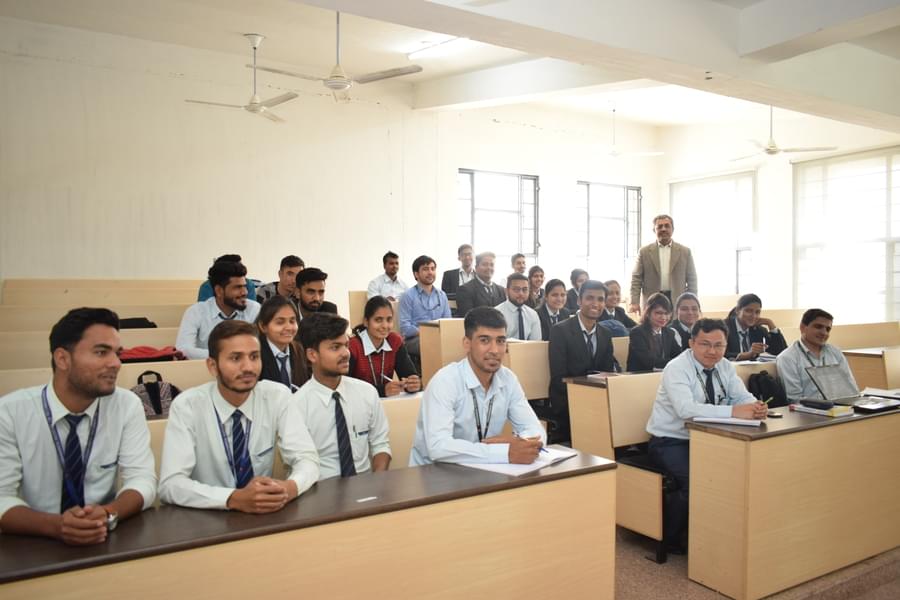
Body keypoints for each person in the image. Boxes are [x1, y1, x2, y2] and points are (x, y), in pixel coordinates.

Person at [0, 308, 156, 544]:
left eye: (117, 354)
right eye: (101, 352)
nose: (116, 363)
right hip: (32, 541)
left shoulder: (126, 405)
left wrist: (107, 513)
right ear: (62, 359)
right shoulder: (10, 412)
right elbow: (2, 496)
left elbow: (142, 479)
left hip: (103, 533)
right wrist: (58, 526)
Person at [159, 320, 319, 511]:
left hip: (265, 514)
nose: (248, 367)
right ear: (212, 366)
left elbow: (307, 459)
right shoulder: (188, 406)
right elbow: (170, 484)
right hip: (209, 515)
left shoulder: (277, 396)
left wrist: (289, 488)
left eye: (254, 357)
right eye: (236, 358)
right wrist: (232, 498)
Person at [646, 318, 766, 552]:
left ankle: (715, 532)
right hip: (671, 441)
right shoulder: (677, 368)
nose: (712, 351)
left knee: (740, 475)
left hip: (712, 438)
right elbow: (686, 410)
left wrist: (755, 406)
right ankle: (671, 538)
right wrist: (734, 411)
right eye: (705, 344)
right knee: (697, 481)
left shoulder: (725, 366)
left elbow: (742, 397)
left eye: (719, 345)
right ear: (691, 343)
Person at [410, 307, 546, 466]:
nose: (495, 350)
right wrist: (504, 452)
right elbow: (438, 447)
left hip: (483, 469)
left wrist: (522, 443)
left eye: (501, 341)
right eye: (484, 340)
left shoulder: (508, 379)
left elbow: (537, 431)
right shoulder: (445, 381)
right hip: (433, 472)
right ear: (467, 344)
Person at [295, 313, 392, 479]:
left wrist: (377, 483)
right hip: (321, 487)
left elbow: (380, 445)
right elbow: (299, 463)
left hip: (365, 484)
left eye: (346, 345)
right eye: (335, 347)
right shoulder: (297, 405)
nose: (346, 353)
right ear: (312, 355)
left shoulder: (367, 393)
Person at [548, 280, 617, 443]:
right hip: (568, 401)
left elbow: (607, 373)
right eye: (590, 298)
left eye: (600, 299)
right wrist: (585, 399)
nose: (595, 304)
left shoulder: (605, 334)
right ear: (579, 301)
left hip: (597, 401)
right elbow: (558, 377)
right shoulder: (560, 331)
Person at [176, 258, 261, 359]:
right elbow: (183, 349)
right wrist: (225, 356)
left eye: (244, 286)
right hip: (205, 368)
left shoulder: (254, 309)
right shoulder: (196, 312)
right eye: (238, 287)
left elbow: (265, 347)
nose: (245, 292)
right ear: (219, 291)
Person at [776, 308, 858, 401]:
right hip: (810, 408)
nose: (824, 333)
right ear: (803, 327)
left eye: (828, 329)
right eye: (818, 327)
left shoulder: (835, 352)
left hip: (842, 405)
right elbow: (795, 399)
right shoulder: (788, 358)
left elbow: (851, 388)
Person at [349, 296, 421, 397]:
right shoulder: (352, 346)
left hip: (387, 403)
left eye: (389, 320)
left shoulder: (394, 341)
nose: (385, 326)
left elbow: (409, 375)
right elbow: (345, 388)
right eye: (378, 320)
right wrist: (381, 391)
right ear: (366, 322)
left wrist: (413, 384)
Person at [629, 215, 697, 313]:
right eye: (659, 227)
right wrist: (634, 302)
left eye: (667, 226)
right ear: (654, 230)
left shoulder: (685, 252)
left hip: (677, 300)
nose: (663, 229)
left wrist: (693, 301)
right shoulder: (644, 252)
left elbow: (692, 279)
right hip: (652, 300)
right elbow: (636, 278)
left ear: (672, 229)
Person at [398, 255, 452, 361]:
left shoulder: (442, 295)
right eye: (425, 269)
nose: (430, 272)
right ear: (416, 274)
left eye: (433, 269)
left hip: (439, 337)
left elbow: (447, 322)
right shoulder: (407, 296)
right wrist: (428, 332)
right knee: (434, 343)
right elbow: (405, 328)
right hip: (414, 340)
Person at [256, 296, 309, 391]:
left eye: (292, 321)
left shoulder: (298, 349)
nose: (289, 327)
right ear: (263, 326)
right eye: (280, 322)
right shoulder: (256, 353)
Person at [626, 293, 682, 372]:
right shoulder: (637, 333)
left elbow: (679, 357)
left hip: (664, 374)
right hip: (641, 376)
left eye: (666, 313)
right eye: (658, 313)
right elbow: (649, 361)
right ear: (648, 313)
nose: (663, 317)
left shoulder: (669, 333)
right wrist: (674, 362)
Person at [725, 293, 788, 360]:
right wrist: (744, 355)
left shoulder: (759, 330)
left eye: (757, 312)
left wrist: (770, 324)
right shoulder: (723, 328)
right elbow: (722, 354)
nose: (753, 316)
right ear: (737, 310)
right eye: (749, 311)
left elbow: (782, 353)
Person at [455, 251, 506, 316]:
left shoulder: (501, 290)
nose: (489, 268)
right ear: (476, 268)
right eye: (485, 264)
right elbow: (468, 317)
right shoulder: (465, 290)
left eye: (492, 265)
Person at [494, 274, 541, 341]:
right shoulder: (496, 313)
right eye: (516, 289)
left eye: (525, 290)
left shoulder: (533, 314)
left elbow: (536, 342)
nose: (521, 293)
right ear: (506, 291)